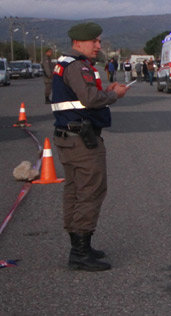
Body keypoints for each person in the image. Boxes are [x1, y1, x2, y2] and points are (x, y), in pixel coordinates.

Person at [51, 22, 130, 271]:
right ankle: (80, 252)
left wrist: (104, 91)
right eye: (94, 41)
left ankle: (80, 246)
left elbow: (80, 98)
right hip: (81, 140)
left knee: (75, 190)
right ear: (79, 42)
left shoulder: (66, 63)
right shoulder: (77, 66)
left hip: (70, 136)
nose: (98, 46)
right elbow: (89, 99)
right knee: (90, 190)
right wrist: (113, 95)